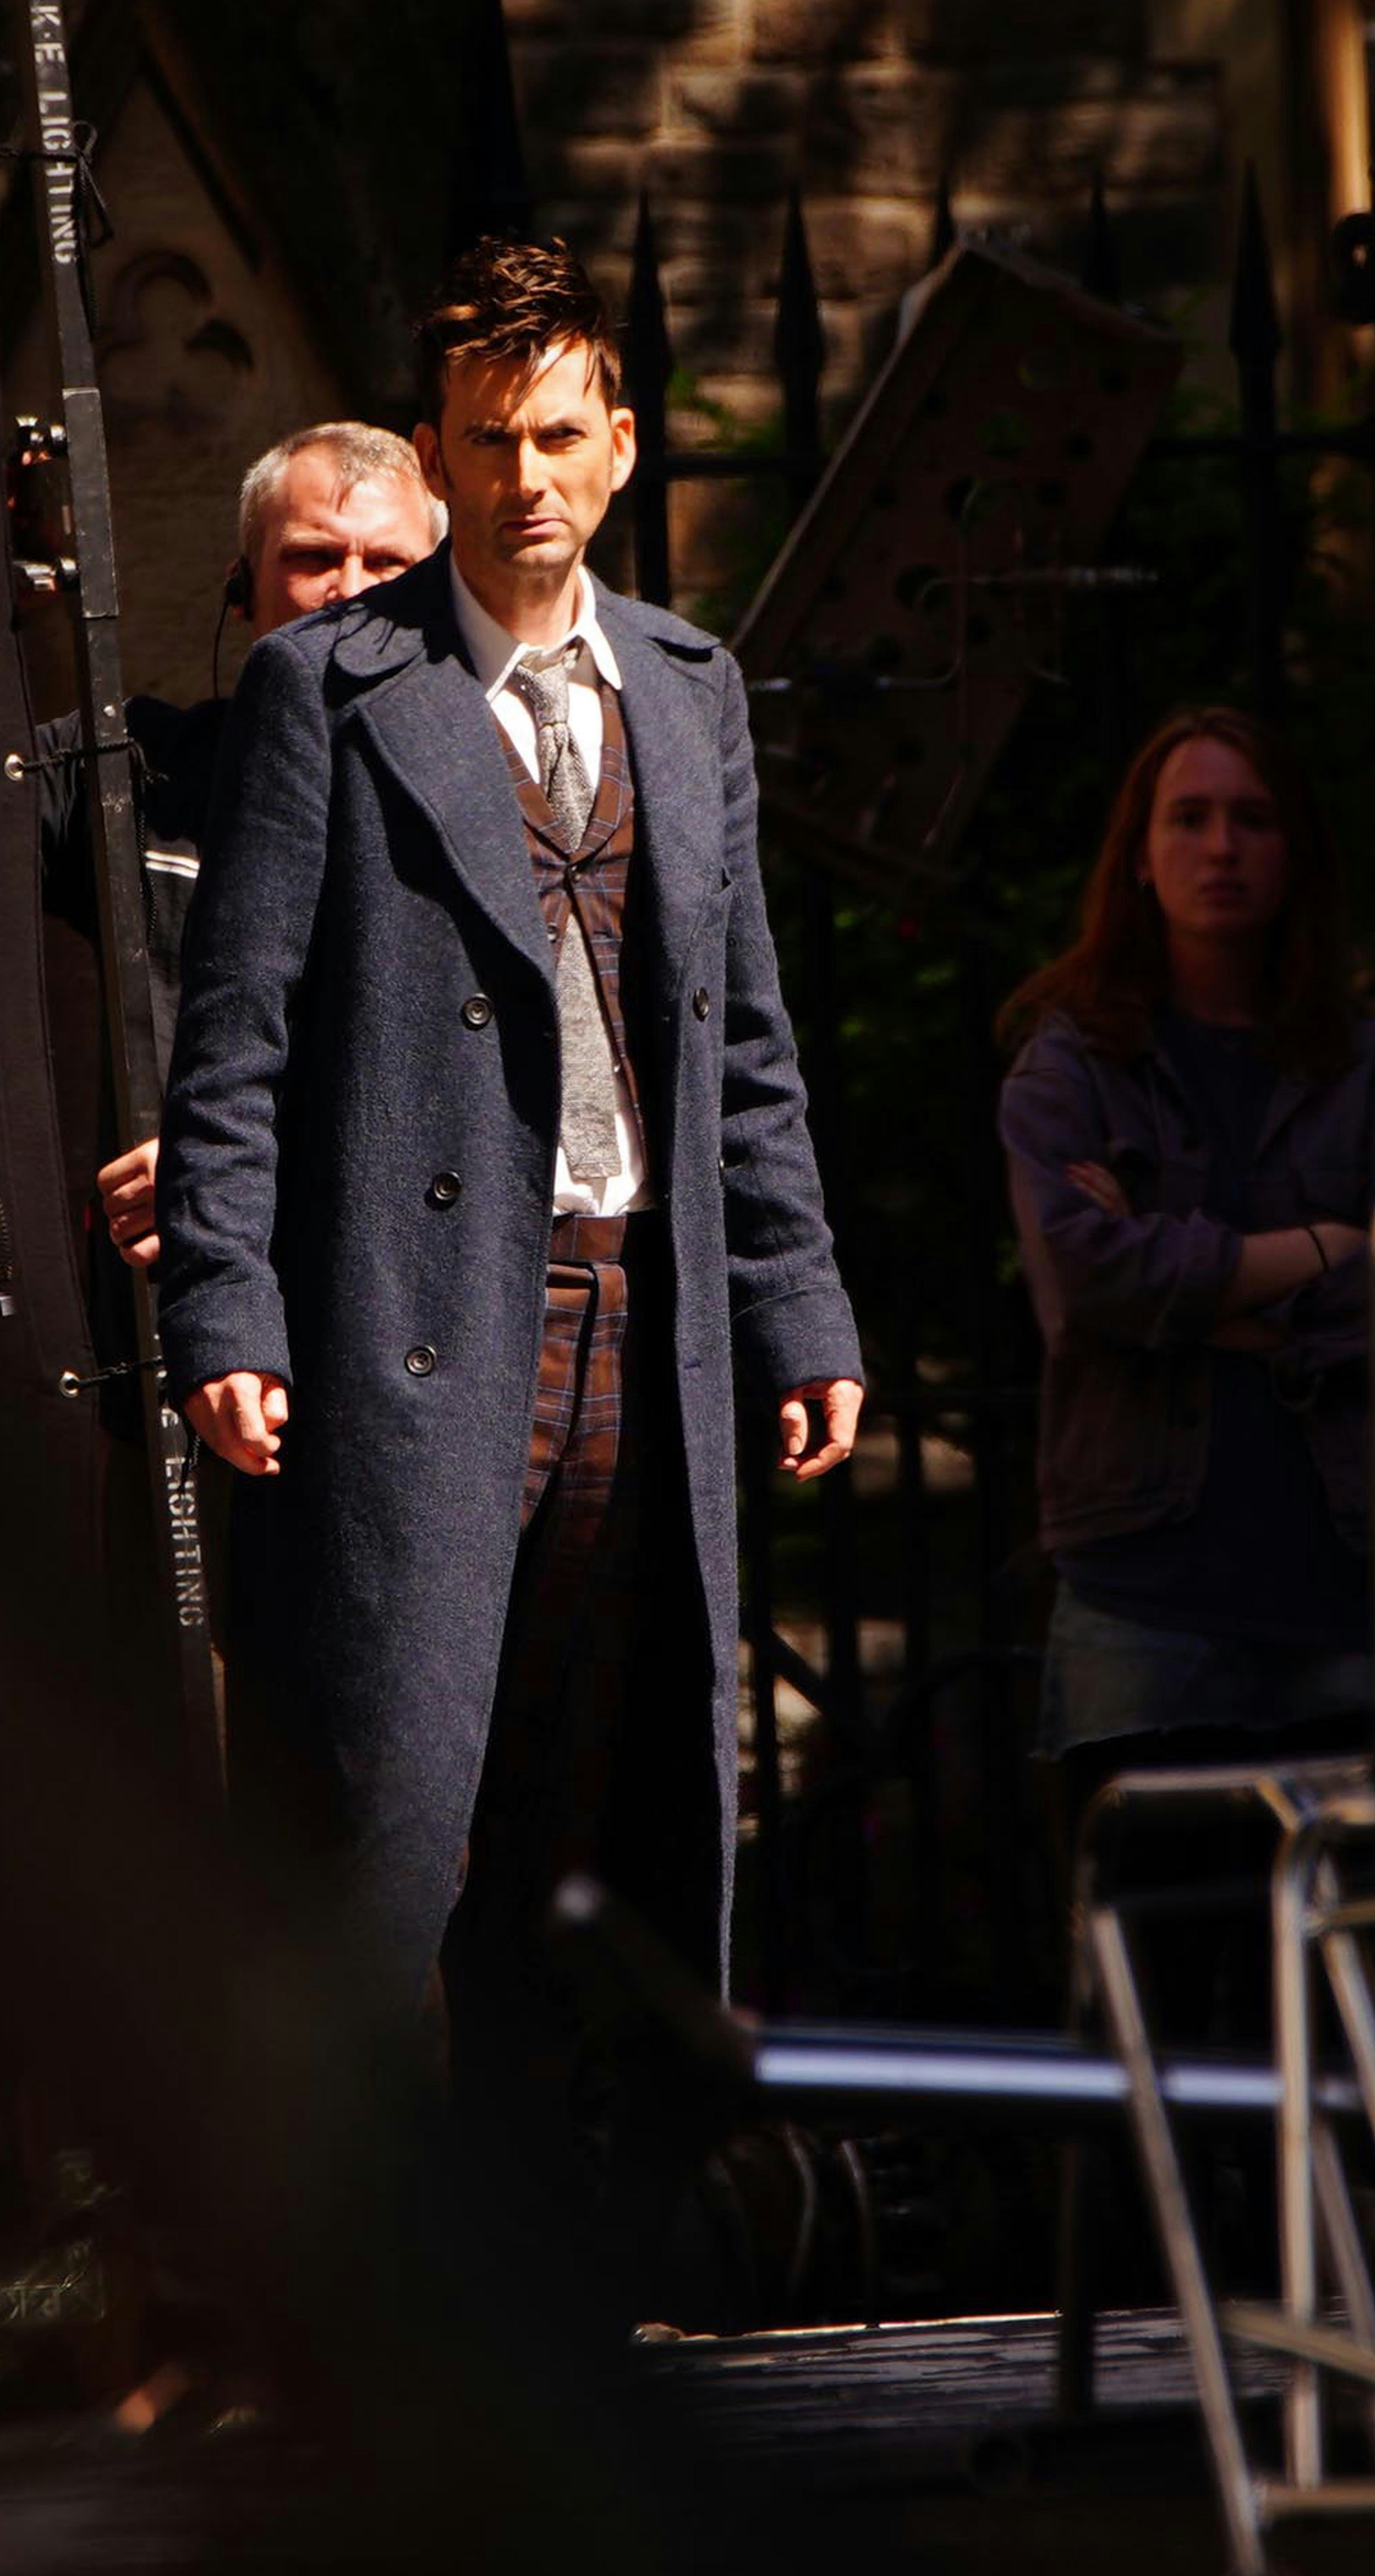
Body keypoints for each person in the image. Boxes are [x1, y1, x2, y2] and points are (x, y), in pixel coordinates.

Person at [155, 239, 863, 2102]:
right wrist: (226, 1300)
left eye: (558, 436)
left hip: (645, 1320)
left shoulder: (691, 691)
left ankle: (564, 2218)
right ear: (435, 453)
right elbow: (236, 1033)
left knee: (598, 1817)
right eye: (488, 439)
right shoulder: (330, 685)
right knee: (397, 1822)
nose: (525, 476)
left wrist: (797, 1306)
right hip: (427, 1324)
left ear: (621, 445)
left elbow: (746, 1040)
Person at [998, 706, 1375, 1792]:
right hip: (1141, 1591)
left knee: (1346, 1892)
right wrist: (1328, 1245)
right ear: (1140, 854)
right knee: (1151, 1890)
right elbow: (1090, 1279)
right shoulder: (1074, 1064)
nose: (1220, 847)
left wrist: (1197, 1303)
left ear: (1294, 852)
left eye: (1252, 819)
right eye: (1189, 818)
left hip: (1341, 1582)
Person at [39, 422, 444, 1281]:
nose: (349, 591)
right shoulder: (138, 771)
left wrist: (222, 1176)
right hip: (162, 1316)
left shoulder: (503, 803)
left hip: (389, 1299)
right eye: (312, 558)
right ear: (241, 592)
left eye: (388, 563)